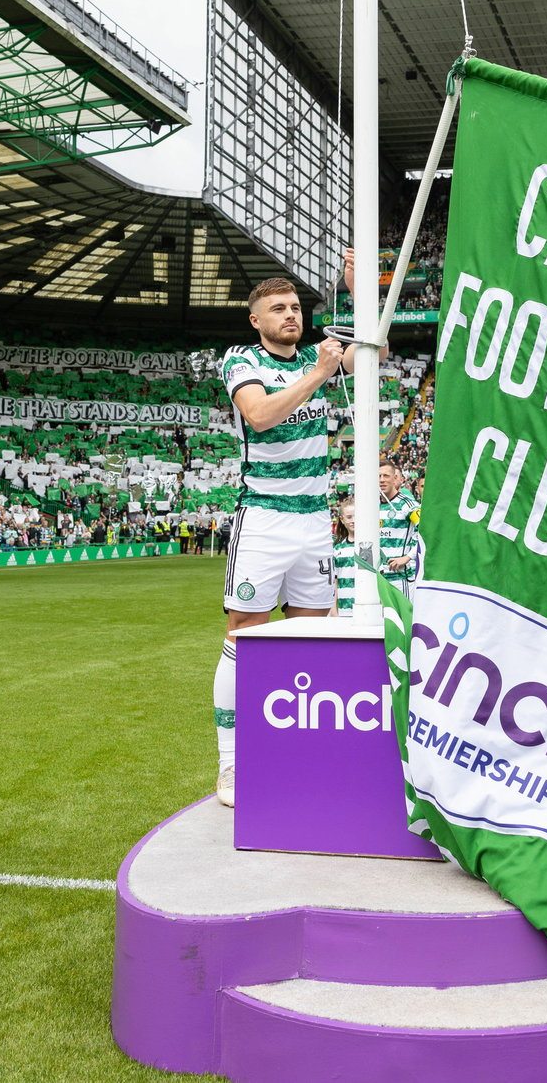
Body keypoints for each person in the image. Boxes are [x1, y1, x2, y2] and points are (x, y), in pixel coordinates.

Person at [210, 258, 359, 806]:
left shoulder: (319, 352)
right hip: (264, 519)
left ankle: (295, 753)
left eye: (296, 307)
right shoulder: (241, 360)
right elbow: (260, 416)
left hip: (315, 522)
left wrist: (361, 296)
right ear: (256, 321)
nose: (291, 315)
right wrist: (319, 373)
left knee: (311, 637)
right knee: (244, 637)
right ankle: (230, 765)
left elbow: (378, 352)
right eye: (278, 309)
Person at [377, 459, 422, 602]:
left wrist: (408, 557)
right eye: (378, 476)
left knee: (402, 621)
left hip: (400, 578)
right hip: (376, 578)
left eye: (386, 476)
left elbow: (425, 532)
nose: (382, 480)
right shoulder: (370, 504)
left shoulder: (408, 505)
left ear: (395, 478)